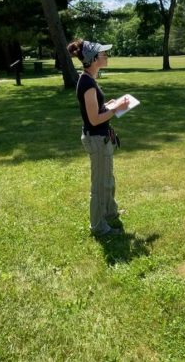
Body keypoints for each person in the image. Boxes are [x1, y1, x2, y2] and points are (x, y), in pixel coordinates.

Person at [67, 39, 129, 236]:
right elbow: (94, 120)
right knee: (100, 184)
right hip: (96, 139)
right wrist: (116, 109)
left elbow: (95, 110)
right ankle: (98, 226)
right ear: (93, 59)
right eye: (103, 54)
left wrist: (109, 104)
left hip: (101, 138)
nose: (106, 56)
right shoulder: (87, 83)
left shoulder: (89, 79)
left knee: (108, 179)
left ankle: (109, 212)